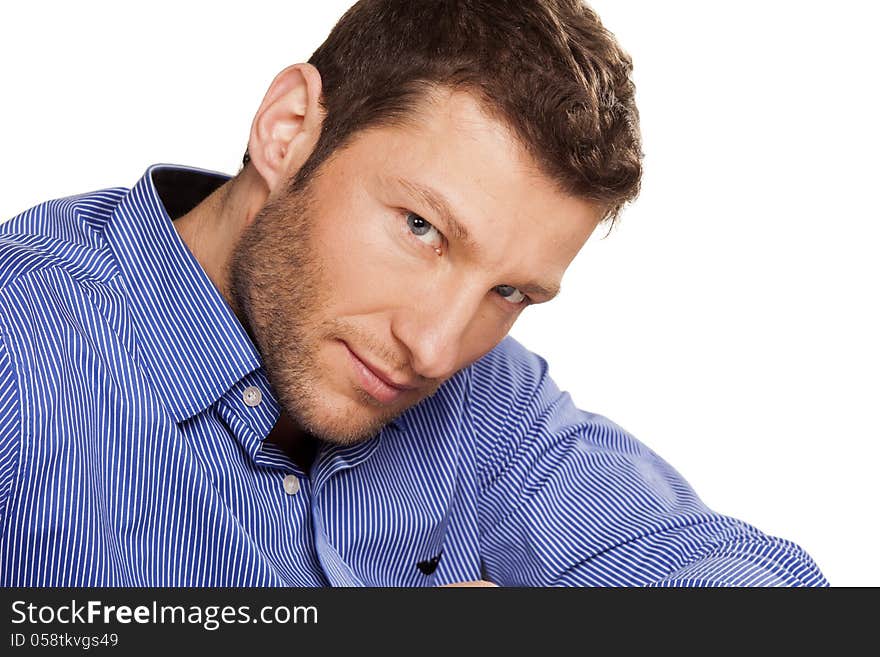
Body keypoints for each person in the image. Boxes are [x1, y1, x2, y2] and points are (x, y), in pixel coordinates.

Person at [0, 0, 826, 586]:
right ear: (289, 131)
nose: (436, 347)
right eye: (422, 228)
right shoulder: (21, 349)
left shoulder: (487, 395)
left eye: (508, 290)